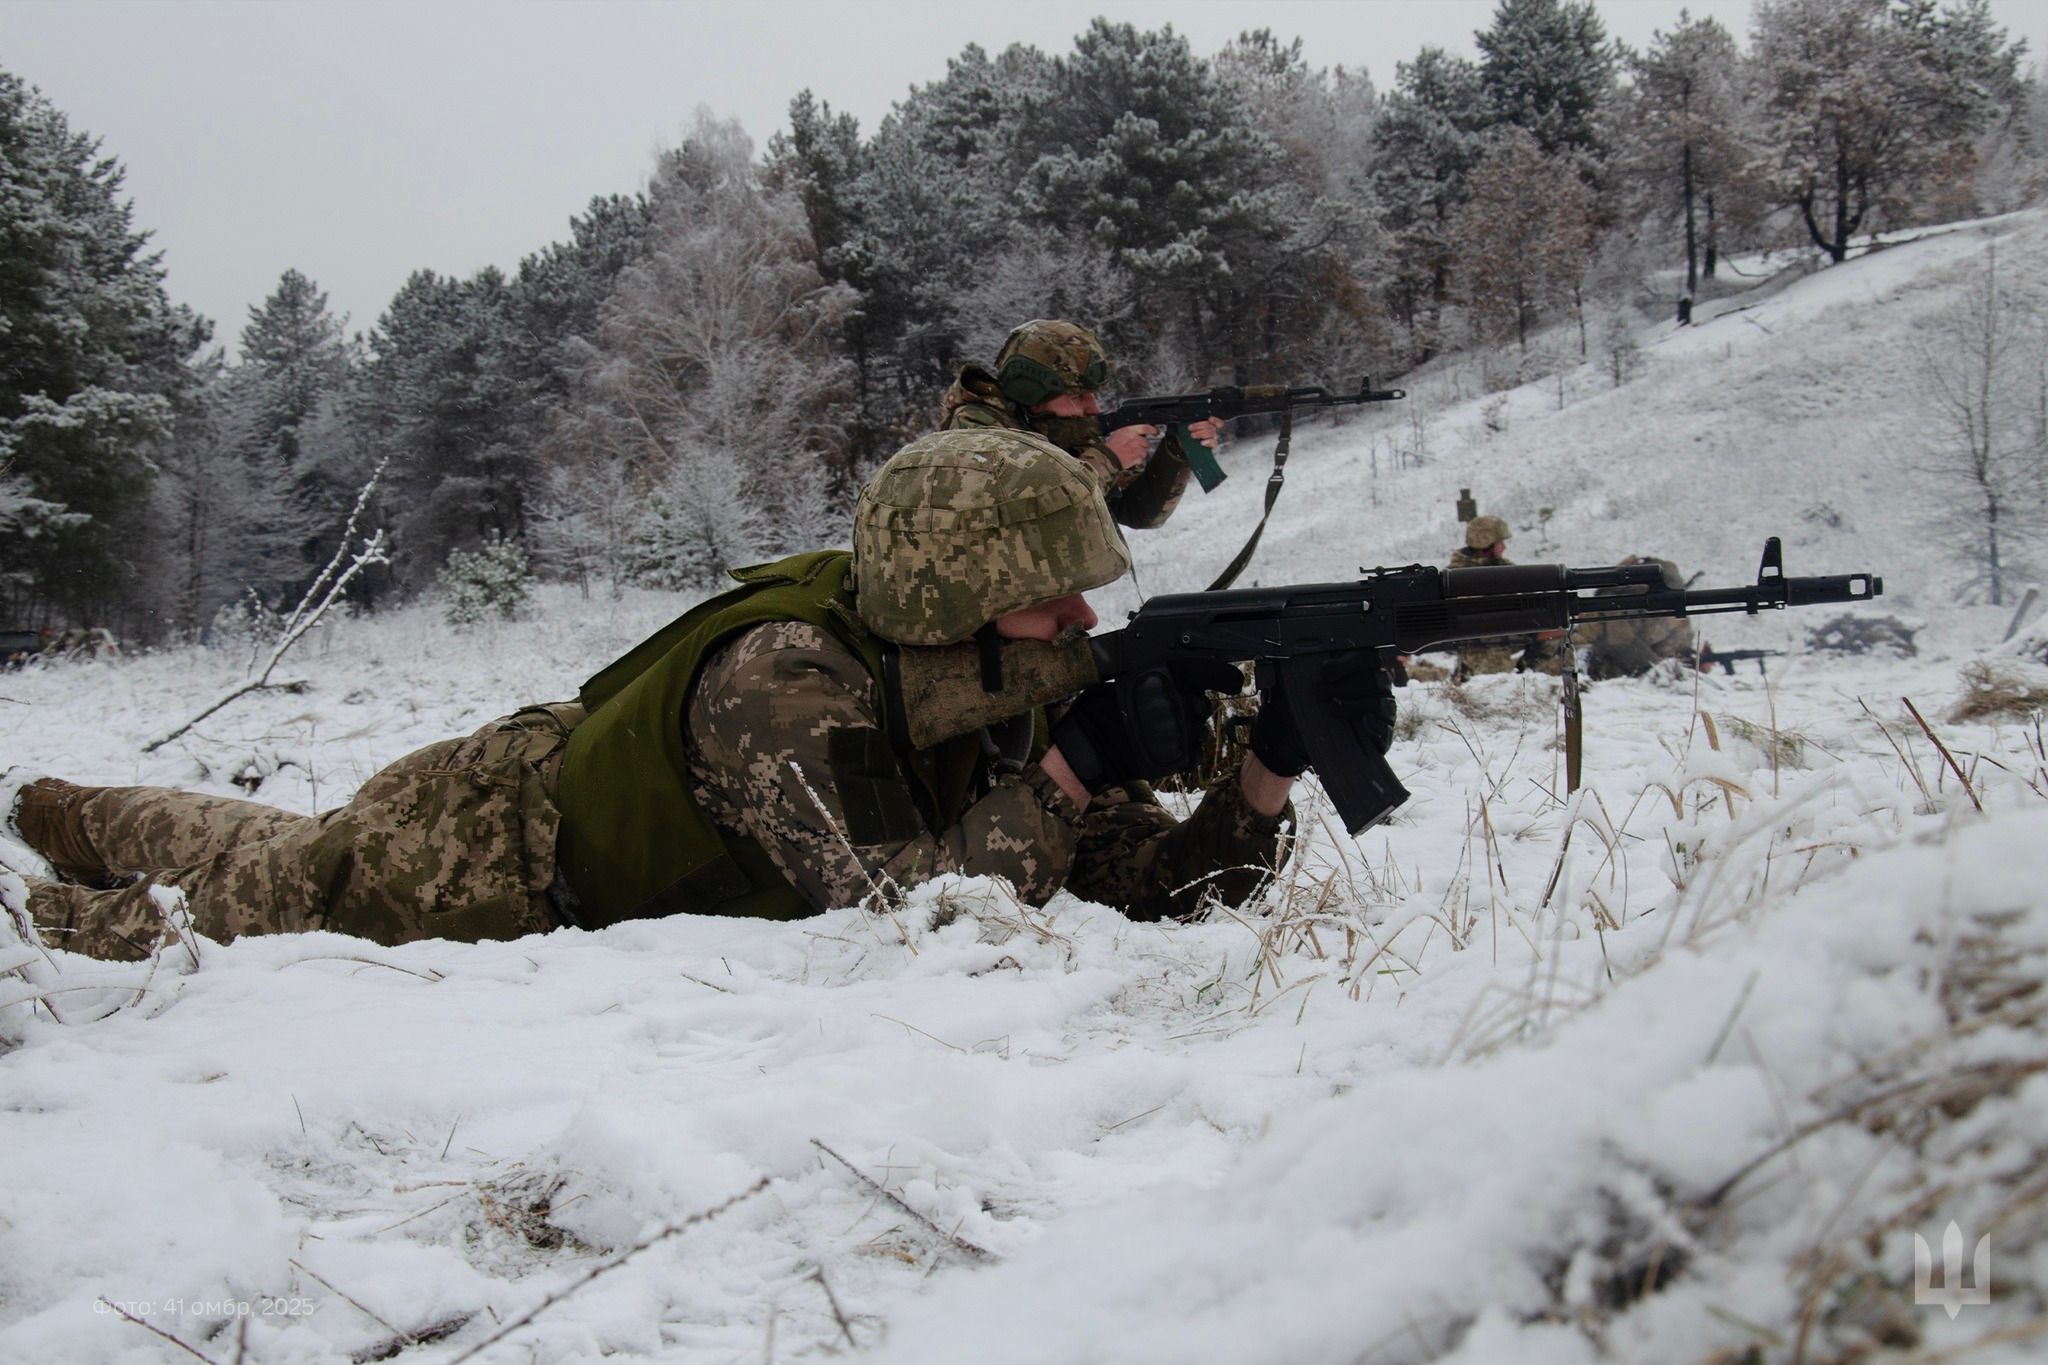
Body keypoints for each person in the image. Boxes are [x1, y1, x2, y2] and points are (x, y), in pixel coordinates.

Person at [4, 430, 1387, 962]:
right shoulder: (780, 683)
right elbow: (897, 914)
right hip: (472, 853)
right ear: (953, 597)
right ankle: (49, 849)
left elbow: (1126, 878)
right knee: (232, 897)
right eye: (1050, 600)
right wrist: (1071, 771)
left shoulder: (992, 687)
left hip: (542, 810)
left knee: (243, 856)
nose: (1084, 624)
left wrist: (1263, 771)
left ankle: (57, 813)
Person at [938, 318, 1223, 530]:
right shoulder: (973, 432)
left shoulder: (1061, 428)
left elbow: (1137, 512)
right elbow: (1025, 518)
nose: (1093, 407)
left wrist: (1176, 449)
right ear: (1033, 396)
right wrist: (1109, 459)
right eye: (1078, 396)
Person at [1447, 515, 1568, 681]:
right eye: (1500, 542)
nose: (1503, 546)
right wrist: (1532, 632)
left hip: (1511, 642)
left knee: (1557, 636)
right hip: (1483, 653)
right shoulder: (1457, 577)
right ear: (1486, 542)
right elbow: (1477, 622)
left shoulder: (1502, 568)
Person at [1579, 556, 1696, 680]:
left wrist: (1696, 662)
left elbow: (1678, 650)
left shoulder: (1673, 617)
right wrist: (1660, 670)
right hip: (1600, 678)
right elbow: (1622, 644)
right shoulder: (1613, 607)